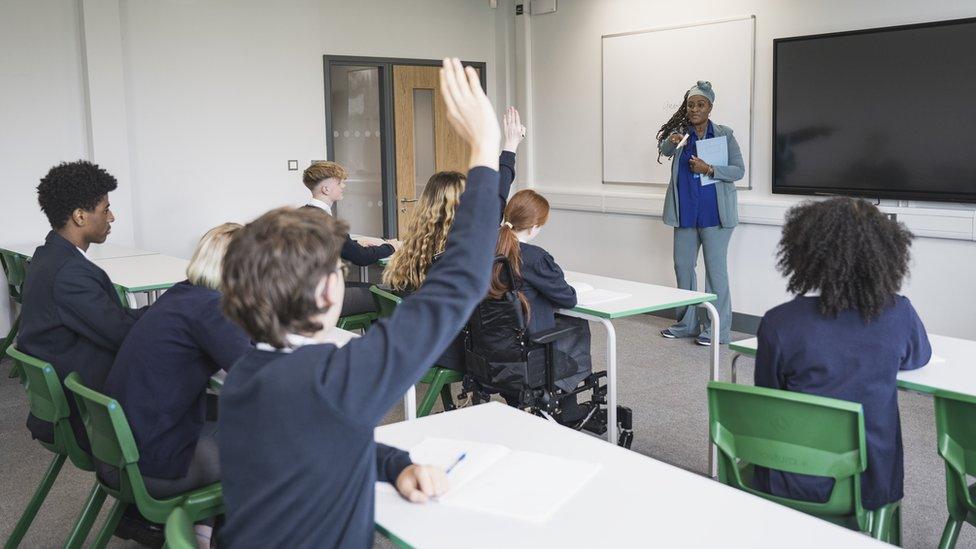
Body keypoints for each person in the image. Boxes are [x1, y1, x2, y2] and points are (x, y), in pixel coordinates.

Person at [216, 57, 502, 548]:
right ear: (328, 292)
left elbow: (323, 438)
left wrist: (396, 465)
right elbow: (457, 286)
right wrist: (485, 151)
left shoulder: (248, 373)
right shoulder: (332, 379)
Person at [752, 197, 930, 512]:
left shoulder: (779, 323)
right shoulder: (898, 314)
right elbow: (918, 357)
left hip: (789, 478)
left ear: (806, 251)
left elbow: (768, 393)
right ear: (885, 254)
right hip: (868, 482)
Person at [102, 223, 249, 546]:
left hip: (121, 446)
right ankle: (215, 533)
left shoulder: (183, 292)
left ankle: (203, 527)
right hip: (151, 463)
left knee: (236, 412)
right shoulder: (211, 308)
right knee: (266, 444)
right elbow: (256, 371)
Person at [381, 106, 524, 370]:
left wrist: (510, 146)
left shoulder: (414, 245)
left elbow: (497, 198)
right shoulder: (460, 249)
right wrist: (510, 146)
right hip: (453, 348)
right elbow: (497, 197)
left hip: (419, 345)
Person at [18, 160, 145, 449]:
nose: (111, 217)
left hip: (67, 398)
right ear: (79, 216)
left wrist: (163, 312)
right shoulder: (71, 274)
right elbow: (122, 335)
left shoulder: (47, 256)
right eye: (105, 209)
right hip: (89, 415)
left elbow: (111, 320)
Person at [656, 81, 744, 345]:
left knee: (715, 273)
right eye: (691, 104)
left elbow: (738, 170)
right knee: (683, 268)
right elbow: (665, 150)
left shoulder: (724, 135)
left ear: (710, 107)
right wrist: (671, 142)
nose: (694, 109)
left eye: (700, 104)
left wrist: (709, 169)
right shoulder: (680, 134)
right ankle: (687, 324)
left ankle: (717, 329)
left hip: (715, 215)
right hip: (685, 214)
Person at [491, 189, 592, 419]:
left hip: (494, 346)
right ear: (534, 226)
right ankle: (566, 403)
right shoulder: (535, 258)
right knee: (575, 324)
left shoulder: (489, 250)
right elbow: (567, 298)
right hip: (527, 344)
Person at [301, 160, 401, 317]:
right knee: (385, 296)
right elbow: (362, 257)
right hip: (321, 298)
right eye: (340, 183)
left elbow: (325, 244)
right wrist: (391, 247)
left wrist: (353, 243)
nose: (344, 186)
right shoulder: (328, 222)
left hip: (302, 294)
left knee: (369, 288)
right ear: (326, 189)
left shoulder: (299, 215)